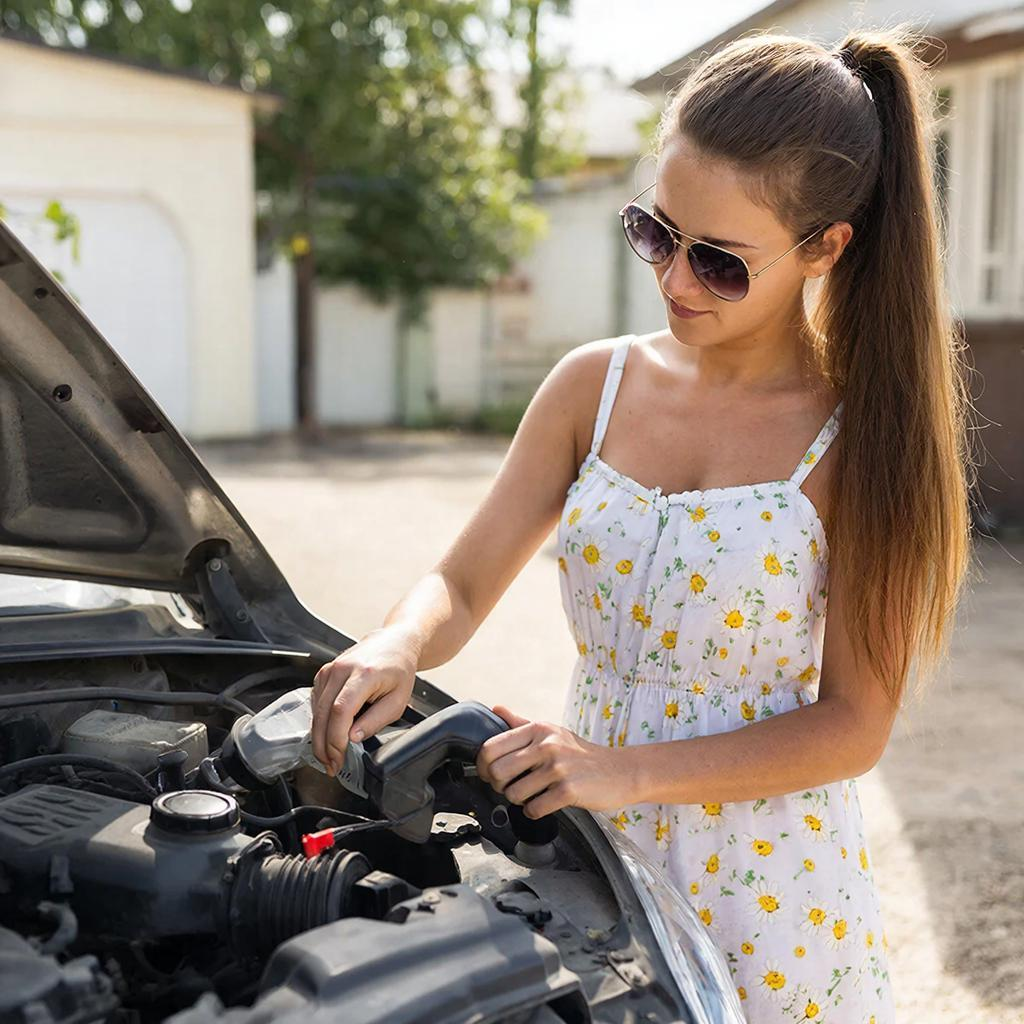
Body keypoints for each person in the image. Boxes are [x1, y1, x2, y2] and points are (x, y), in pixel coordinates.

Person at [309, 22, 976, 1024]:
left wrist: (621, 771)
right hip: (591, 853)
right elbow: (462, 581)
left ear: (823, 249)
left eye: (719, 262)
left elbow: (853, 725)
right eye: (657, 232)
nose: (673, 279)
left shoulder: (857, 436)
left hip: (769, 893)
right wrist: (396, 642)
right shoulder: (593, 384)